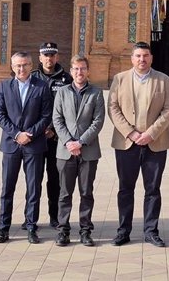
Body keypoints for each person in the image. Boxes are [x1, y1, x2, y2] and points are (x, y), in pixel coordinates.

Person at [107, 41, 169, 247]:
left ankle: (151, 231)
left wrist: (151, 133)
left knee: (152, 189)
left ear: (151, 58)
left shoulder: (163, 80)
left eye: (145, 55)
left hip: (155, 143)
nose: (142, 59)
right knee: (125, 188)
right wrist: (131, 133)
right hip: (127, 143)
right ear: (132, 58)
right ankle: (123, 230)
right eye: (138, 56)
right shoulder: (120, 79)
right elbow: (113, 108)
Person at [0, 51, 53, 244]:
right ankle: (3, 228)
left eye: (25, 65)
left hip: (34, 145)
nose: (21, 69)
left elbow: (46, 115)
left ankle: (31, 227)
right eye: (18, 65)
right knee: (7, 188)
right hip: (11, 144)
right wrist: (16, 134)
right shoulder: (4, 86)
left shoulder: (42, 87)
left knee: (33, 188)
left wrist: (30, 134)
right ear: (12, 67)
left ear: (31, 65)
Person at [52, 55, 105, 247]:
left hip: (88, 151)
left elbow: (98, 122)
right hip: (65, 152)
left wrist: (80, 142)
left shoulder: (96, 93)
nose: (79, 72)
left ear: (88, 71)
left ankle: (85, 230)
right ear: (71, 71)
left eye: (82, 69)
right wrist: (68, 142)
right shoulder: (62, 92)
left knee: (86, 193)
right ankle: (63, 230)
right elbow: (57, 119)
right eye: (75, 69)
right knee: (64, 193)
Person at [30, 42, 72, 229]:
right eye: (45, 55)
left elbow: (68, 110)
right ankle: (31, 218)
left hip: (57, 140)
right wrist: (39, 130)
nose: (49, 58)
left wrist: (54, 130)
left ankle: (55, 217)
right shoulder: (31, 78)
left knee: (55, 180)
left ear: (57, 57)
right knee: (34, 180)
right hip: (36, 139)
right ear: (40, 57)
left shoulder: (66, 79)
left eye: (52, 55)